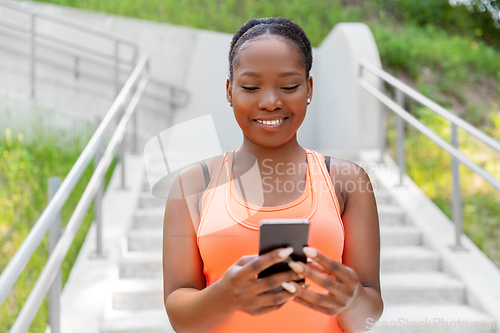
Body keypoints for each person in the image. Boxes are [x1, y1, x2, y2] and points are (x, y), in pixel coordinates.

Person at [162, 17, 383, 333]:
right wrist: (224, 297)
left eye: (289, 86)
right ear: (229, 91)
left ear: (308, 88)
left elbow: (369, 315)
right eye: (251, 87)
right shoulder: (193, 186)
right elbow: (179, 318)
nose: (269, 102)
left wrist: (351, 300)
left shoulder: (347, 181)